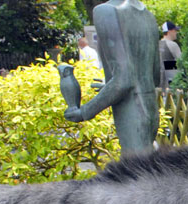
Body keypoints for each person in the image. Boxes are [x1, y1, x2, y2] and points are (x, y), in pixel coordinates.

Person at [61, 0, 160, 153]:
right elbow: (154, 76)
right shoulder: (148, 15)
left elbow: (124, 80)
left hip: (131, 114)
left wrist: (84, 111)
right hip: (150, 110)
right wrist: (108, 89)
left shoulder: (107, 11)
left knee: (136, 173)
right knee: (148, 169)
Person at [159, 21, 181, 89]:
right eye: (175, 30)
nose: (176, 32)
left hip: (159, 83)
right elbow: (181, 63)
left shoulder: (157, 44)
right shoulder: (173, 45)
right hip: (171, 84)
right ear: (169, 31)